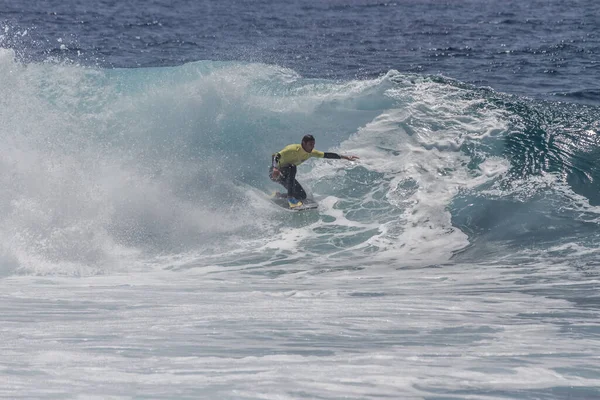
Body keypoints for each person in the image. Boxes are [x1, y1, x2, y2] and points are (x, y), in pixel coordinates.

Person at [269, 134, 359, 208]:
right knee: (292, 167)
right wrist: (275, 168)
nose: (312, 147)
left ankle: (279, 196)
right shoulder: (292, 149)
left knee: (302, 196)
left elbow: (326, 155)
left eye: (313, 144)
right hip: (276, 174)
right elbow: (275, 156)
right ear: (303, 143)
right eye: (310, 145)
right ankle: (291, 198)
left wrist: (346, 157)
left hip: (287, 175)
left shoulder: (311, 152)